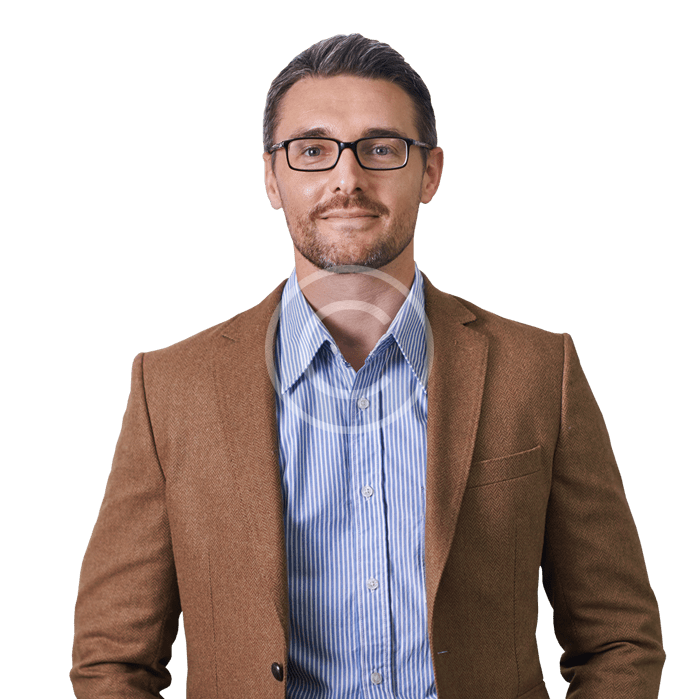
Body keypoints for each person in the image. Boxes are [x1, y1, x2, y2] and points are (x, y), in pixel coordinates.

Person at [70, 34, 665, 698]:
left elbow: (618, 638)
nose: (347, 179)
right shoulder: (171, 388)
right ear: (271, 178)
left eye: (381, 148)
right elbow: (113, 657)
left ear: (430, 172)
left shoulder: (539, 371)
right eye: (312, 150)